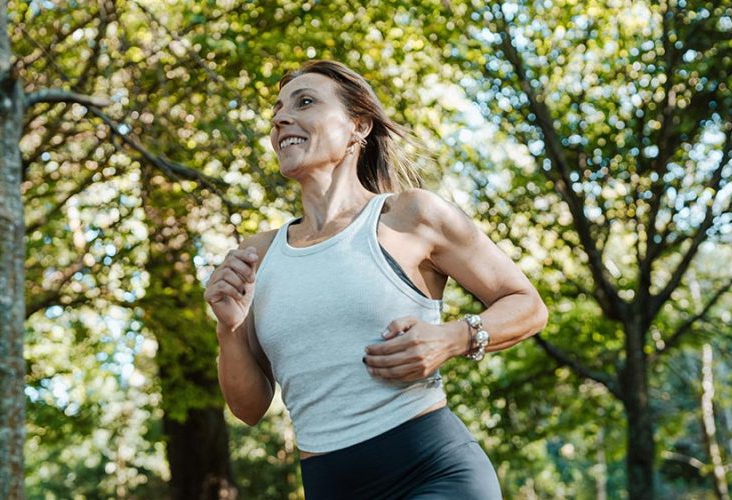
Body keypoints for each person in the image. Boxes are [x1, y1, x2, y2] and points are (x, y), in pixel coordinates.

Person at [204, 60, 548, 499]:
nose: (279, 118)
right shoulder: (260, 253)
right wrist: (229, 331)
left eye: (304, 102)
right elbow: (249, 408)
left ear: (358, 125)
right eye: (276, 111)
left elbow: (528, 305)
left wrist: (453, 338)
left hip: (433, 474)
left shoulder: (410, 216)